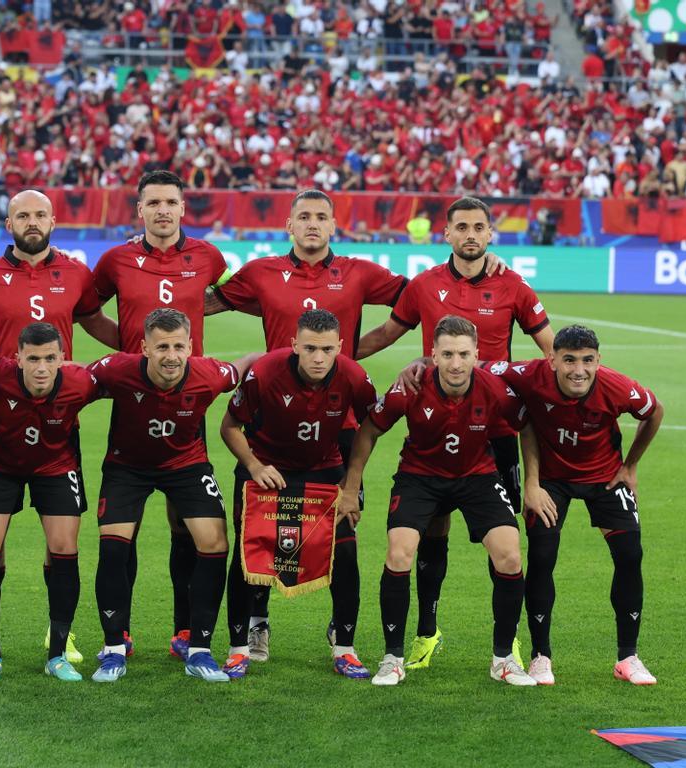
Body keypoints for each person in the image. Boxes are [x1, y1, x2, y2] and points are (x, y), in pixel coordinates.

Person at [204, 188, 408, 660]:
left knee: (342, 528)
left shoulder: (358, 272)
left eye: (321, 217)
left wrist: (358, 354)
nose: (312, 224)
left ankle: (342, 634)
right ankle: (256, 626)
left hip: (338, 420)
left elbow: (414, 300)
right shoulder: (261, 272)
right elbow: (209, 303)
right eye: (304, 217)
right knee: (259, 534)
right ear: (289, 225)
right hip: (269, 416)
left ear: (334, 226)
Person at [356, 195, 553, 672]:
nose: (470, 235)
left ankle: (508, 647)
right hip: (434, 418)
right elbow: (386, 333)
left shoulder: (514, 286)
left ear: (491, 234)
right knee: (431, 530)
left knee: (504, 541)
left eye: (478, 227)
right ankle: (425, 629)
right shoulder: (424, 285)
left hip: (494, 425)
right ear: (446, 234)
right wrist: (333, 362)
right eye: (461, 227)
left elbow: (551, 350)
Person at [0, 189, 118, 666]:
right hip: (0, 428)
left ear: (53, 220)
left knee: (61, 544)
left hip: (59, 429)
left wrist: (149, 351)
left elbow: (97, 323)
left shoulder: (77, 273)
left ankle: (60, 636)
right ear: (8, 223)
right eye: (23, 214)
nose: (32, 221)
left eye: (40, 214)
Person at [339, 315, 536, 687]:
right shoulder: (410, 387)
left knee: (510, 555)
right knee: (399, 552)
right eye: (447, 354)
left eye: (464, 354)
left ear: (477, 354)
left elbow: (527, 426)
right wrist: (350, 488)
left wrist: (533, 484)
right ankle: (392, 658)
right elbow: (368, 430)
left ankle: (504, 659)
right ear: (433, 354)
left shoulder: (494, 389)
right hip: (420, 477)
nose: (456, 363)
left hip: (477, 476)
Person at [92, 171, 230, 660]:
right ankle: (120, 634)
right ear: (140, 210)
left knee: (185, 527)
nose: (163, 211)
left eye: (171, 202)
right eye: (154, 203)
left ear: (183, 207)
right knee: (121, 529)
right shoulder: (116, 259)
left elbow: (227, 296)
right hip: (134, 396)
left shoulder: (209, 257)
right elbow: (87, 310)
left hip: (186, 398)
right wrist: (131, 350)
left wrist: (181, 345)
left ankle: (186, 631)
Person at [87, 308, 260, 683]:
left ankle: (198, 649)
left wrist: (278, 358)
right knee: (114, 545)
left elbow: (244, 364)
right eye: (162, 346)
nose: (171, 355)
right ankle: (114, 649)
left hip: (186, 465)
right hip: (126, 468)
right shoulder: (116, 369)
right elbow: (72, 375)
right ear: (144, 348)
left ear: (190, 347)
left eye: (179, 346)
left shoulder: (209, 374)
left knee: (214, 543)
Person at [495, 325, 663, 685]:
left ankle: (628, 657)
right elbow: (481, 366)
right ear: (552, 358)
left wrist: (630, 465)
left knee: (630, 555)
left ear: (599, 361)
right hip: (552, 482)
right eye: (569, 360)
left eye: (588, 361)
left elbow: (654, 411)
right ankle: (541, 656)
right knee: (541, 556)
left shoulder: (617, 387)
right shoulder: (528, 375)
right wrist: (418, 364)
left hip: (605, 477)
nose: (578, 370)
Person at [219, 310, 378, 680]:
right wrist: (255, 466)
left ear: (340, 346)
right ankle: (239, 647)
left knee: (346, 549)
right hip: (267, 468)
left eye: (326, 349)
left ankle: (345, 647)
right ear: (294, 345)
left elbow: (371, 427)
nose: (318, 358)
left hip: (325, 468)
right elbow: (230, 426)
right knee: (249, 555)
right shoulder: (266, 372)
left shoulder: (353, 376)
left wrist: (352, 487)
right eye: (309, 348)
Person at [0, 322, 102, 682]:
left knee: (63, 549)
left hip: (56, 467)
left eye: (49, 358)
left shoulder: (81, 381)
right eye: (32, 359)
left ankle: (57, 655)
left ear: (62, 358)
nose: (41, 367)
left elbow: (126, 377)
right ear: (18, 358)